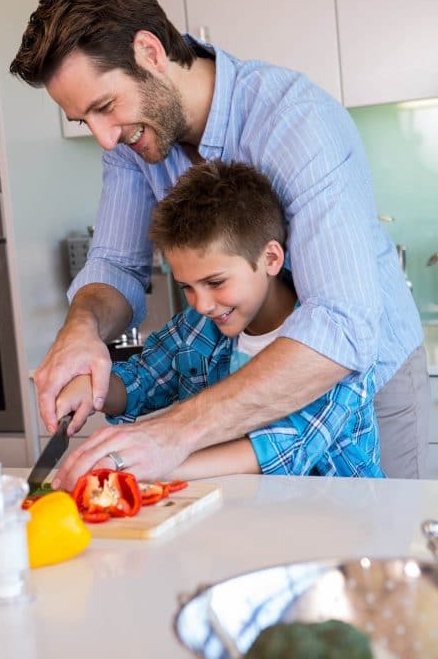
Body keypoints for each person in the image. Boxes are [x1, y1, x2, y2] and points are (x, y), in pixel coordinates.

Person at [10, 0, 430, 482]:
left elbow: (341, 328)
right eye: (84, 121)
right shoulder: (131, 142)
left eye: (104, 107)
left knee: (378, 543)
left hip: (364, 375)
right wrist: (81, 331)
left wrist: (172, 435)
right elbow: (118, 264)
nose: (103, 137)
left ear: (150, 51)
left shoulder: (295, 121)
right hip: (240, 390)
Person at [55, 162, 384, 486]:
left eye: (215, 282)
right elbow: (142, 379)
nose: (202, 304)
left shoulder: (334, 348)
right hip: (241, 519)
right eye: (187, 287)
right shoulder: (199, 326)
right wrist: (93, 387)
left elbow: (283, 449)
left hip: (339, 521)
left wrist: (150, 463)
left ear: (270, 259)